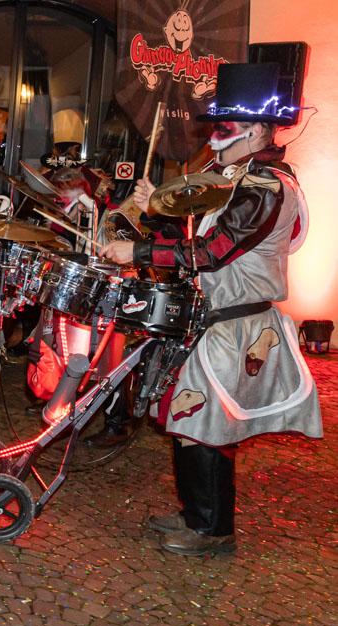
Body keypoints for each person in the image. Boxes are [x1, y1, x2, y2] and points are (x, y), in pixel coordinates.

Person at [99, 63, 322, 555]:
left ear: (259, 129)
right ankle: (197, 514)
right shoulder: (234, 180)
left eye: (225, 128)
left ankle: (212, 530)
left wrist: (134, 254)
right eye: (214, 128)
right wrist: (155, 212)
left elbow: (212, 251)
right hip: (213, 319)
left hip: (238, 325)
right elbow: (191, 241)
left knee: (199, 422)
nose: (214, 139)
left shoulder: (267, 187)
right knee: (192, 420)